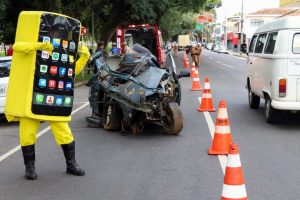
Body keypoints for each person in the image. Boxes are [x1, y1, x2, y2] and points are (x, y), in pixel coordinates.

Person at [5, 11, 90, 180]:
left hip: (56, 98)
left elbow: (71, 73)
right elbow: (17, 47)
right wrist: (39, 46)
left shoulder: (63, 51)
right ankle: (30, 168)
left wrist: (84, 56)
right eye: (54, 32)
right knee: (27, 132)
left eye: (59, 32)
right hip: (32, 97)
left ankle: (71, 164)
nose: (56, 35)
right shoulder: (34, 46)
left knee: (64, 132)